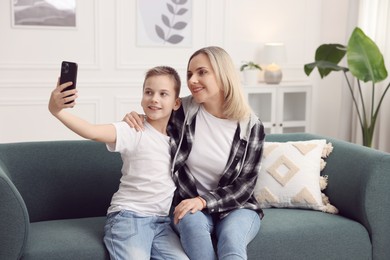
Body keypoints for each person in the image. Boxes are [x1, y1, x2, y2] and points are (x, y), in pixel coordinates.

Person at [124, 46, 265, 260]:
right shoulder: (181, 110)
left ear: (223, 75)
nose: (192, 80)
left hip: (237, 206)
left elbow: (244, 186)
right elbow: (156, 110)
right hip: (189, 204)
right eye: (190, 74)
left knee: (232, 241)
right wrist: (136, 117)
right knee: (192, 226)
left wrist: (204, 200)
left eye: (202, 72)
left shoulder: (251, 126)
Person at [48, 66, 189, 260]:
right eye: (148, 92)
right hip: (129, 217)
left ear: (176, 103)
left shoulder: (178, 137)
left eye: (163, 94)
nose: (154, 98)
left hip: (162, 223)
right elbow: (92, 131)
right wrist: (57, 111)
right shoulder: (133, 129)